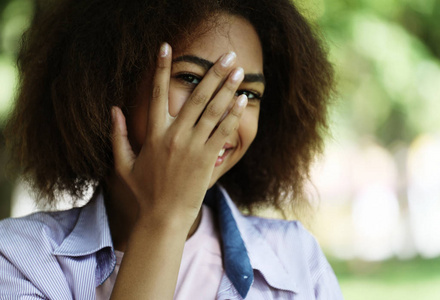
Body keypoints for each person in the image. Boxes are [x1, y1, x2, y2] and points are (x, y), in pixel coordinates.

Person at [0, 0, 343, 299]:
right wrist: (165, 216)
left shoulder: (296, 259)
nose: (224, 114)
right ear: (111, 84)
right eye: (192, 78)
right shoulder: (20, 258)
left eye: (248, 94)